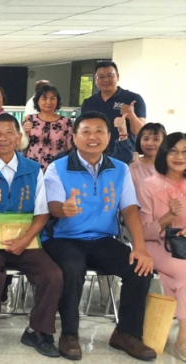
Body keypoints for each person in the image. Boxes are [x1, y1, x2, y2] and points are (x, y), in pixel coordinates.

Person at [42, 111, 156, 361]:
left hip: (103, 239)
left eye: (99, 131)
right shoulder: (57, 167)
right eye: (86, 131)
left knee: (140, 267)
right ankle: (69, 333)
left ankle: (126, 333)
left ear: (108, 136)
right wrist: (64, 209)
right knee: (72, 267)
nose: (92, 137)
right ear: (74, 137)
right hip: (64, 238)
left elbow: (130, 210)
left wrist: (140, 247)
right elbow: (52, 207)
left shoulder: (120, 169)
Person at [0, 113, 62, 357]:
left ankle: (37, 331)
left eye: (10, 133)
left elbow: (42, 212)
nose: (3, 138)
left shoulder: (33, 169)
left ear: (20, 138)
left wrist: (25, 239)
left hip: (25, 239)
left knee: (53, 274)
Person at [137, 132, 186, 361]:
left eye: (185, 152)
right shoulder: (149, 185)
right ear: (164, 153)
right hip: (156, 245)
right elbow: (144, 231)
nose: (179, 156)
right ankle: (183, 342)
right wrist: (169, 216)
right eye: (174, 151)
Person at [81, 61, 146, 164]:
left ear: (118, 76)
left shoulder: (132, 98)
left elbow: (142, 132)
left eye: (110, 75)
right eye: (101, 77)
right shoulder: (89, 102)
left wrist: (132, 117)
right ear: (95, 79)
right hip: (95, 156)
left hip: (125, 156)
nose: (106, 80)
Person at [23, 85, 73, 170]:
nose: (48, 102)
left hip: (57, 167)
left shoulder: (66, 122)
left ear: (57, 101)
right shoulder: (29, 119)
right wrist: (25, 132)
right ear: (37, 101)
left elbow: (70, 148)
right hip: (32, 167)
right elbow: (20, 145)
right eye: (44, 98)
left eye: (53, 98)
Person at [130, 123, 166, 191]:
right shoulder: (131, 167)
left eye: (156, 139)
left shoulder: (169, 167)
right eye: (145, 139)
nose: (150, 143)